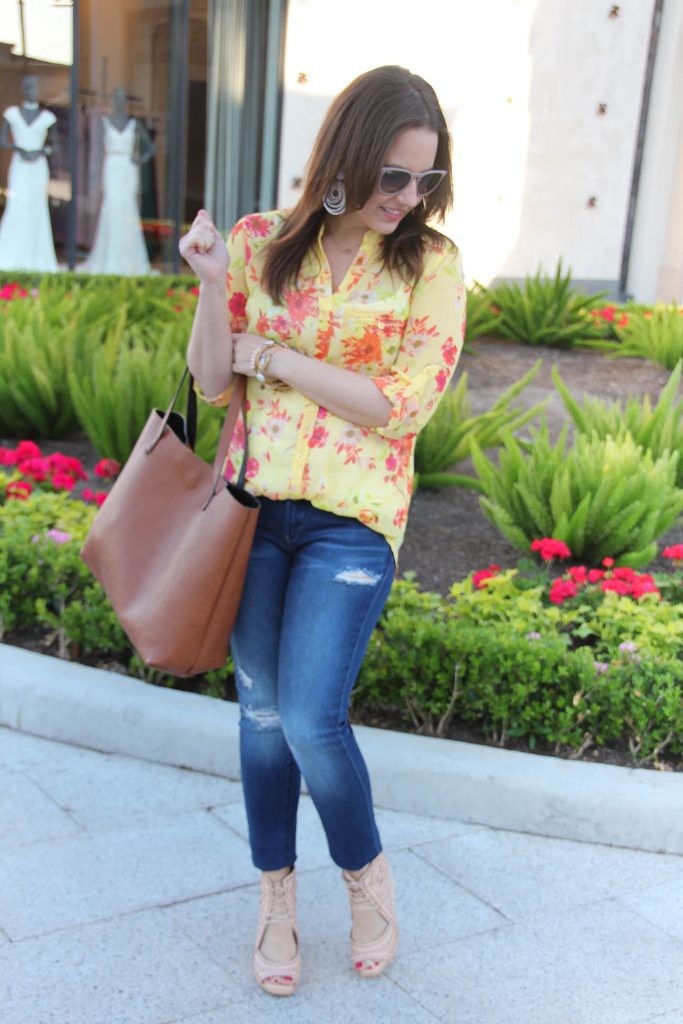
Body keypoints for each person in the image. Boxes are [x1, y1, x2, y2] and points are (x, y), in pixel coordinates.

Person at [179, 65, 466, 997]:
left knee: (309, 715)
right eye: (392, 176)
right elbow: (215, 381)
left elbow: (399, 406)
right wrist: (214, 285)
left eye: (424, 180)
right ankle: (274, 901)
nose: (407, 198)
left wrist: (278, 357)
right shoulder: (264, 241)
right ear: (346, 156)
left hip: (352, 523)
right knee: (261, 719)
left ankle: (366, 878)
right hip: (254, 509)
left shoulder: (430, 264)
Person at [82, 86, 154, 275]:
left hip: (128, 167)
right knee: (112, 208)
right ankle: (109, 257)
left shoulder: (134, 123)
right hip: (112, 166)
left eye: (123, 99)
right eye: (117, 99)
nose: (120, 102)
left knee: (127, 209)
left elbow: (149, 147)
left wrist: (139, 159)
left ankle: (129, 259)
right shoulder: (105, 122)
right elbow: (94, 150)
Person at [0, 75, 58, 271]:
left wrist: (41, 151)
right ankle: (11, 252)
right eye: (30, 86)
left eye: (36, 86)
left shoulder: (47, 117)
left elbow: (55, 145)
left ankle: (37, 255)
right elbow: (3, 140)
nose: (34, 90)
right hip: (20, 166)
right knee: (17, 206)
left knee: (37, 209)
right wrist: (20, 149)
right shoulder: (12, 113)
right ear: (24, 89)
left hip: (38, 167)